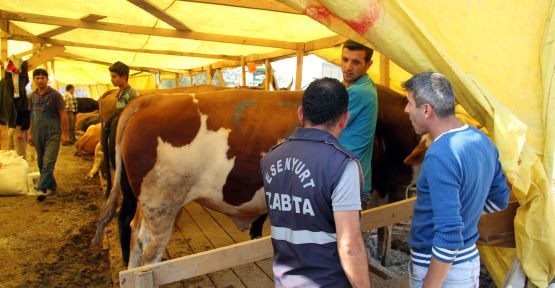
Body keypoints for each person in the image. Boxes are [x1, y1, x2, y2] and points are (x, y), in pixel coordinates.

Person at [260, 78, 371, 288]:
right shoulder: (343, 166)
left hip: (285, 281)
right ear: (344, 119)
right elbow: (349, 245)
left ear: (301, 113)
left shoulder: (270, 159)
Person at [402, 72, 510, 287]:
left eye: (409, 103)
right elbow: (500, 199)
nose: (406, 110)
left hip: (438, 268)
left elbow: (449, 235)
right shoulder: (482, 140)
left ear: (426, 110)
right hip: (468, 260)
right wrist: (467, 218)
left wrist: (431, 284)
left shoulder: (440, 155)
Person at [339, 40, 378, 208]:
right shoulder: (366, 85)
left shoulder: (358, 92)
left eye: (356, 62)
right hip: (353, 179)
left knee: (341, 234)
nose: (348, 67)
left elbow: (323, 125)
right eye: (345, 59)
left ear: (368, 65)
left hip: (348, 183)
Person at [28, 68, 69, 201]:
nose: (40, 80)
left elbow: (63, 115)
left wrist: (65, 134)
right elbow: (31, 116)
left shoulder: (55, 95)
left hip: (53, 133)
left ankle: (42, 188)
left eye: (42, 78)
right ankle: (52, 185)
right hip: (37, 133)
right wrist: (30, 134)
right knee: (40, 161)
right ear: (34, 80)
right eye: (37, 78)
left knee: (48, 161)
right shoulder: (33, 96)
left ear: (47, 79)